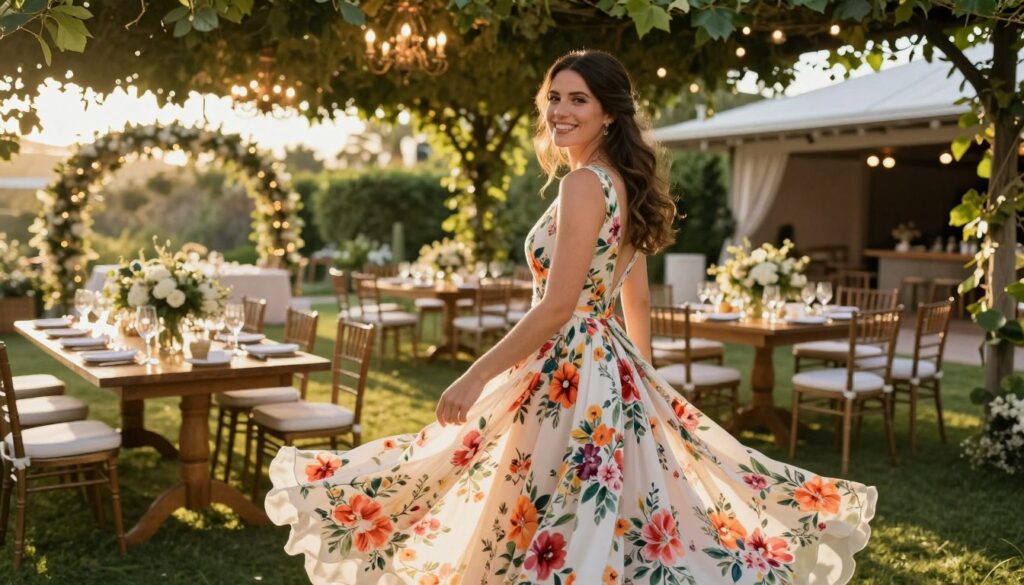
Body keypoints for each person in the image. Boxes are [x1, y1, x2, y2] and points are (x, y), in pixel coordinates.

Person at [265, 50, 876, 585]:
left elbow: (559, 305)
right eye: (553, 97)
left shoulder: (584, 184)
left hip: (569, 368)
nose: (560, 110)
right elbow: (632, 296)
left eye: (577, 99)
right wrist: (642, 376)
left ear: (608, 111)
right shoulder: (624, 184)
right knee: (583, 508)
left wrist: (473, 375)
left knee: (522, 495)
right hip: (602, 365)